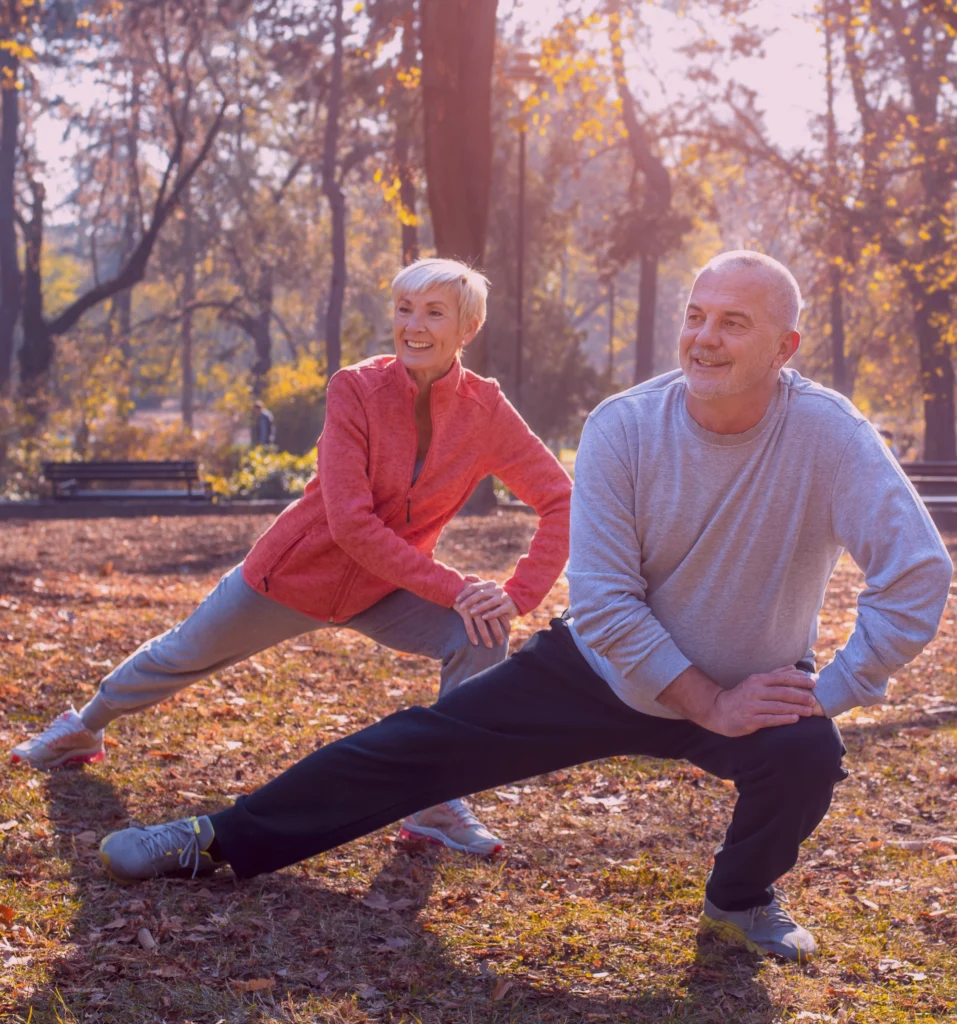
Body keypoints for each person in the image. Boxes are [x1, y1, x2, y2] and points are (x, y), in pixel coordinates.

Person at [95, 251, 952, 963]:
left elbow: (914, 572)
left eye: (733, 322)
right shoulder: (625, 426)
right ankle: (216, 838)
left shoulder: (829, 433)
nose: (703, 336)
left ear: (784, 345)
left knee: (806, 756)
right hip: (602, 670)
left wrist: (826, 690)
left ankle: (739, 898)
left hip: (751, 681)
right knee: (414, 748)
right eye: (695, 315)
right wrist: (706, 702)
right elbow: (609, 604)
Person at [12, 257, 572, 856]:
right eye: (404, 308)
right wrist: (455, 586)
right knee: (181, 653)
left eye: (434, 313)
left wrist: (513, 595)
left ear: (467, 329)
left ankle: (435, 798)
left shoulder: (485, 411)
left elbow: (562, 500)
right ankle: (84, 726)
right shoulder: (355, 389)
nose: (413, 325)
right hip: (294, 576)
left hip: (386, 589)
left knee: (482, 633)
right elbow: (351, 525)